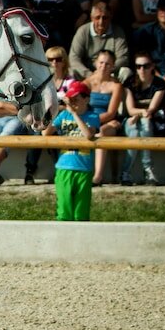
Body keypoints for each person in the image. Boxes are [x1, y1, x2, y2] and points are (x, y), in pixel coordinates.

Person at [43, 81, 99, 221]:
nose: (72, 102)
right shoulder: (63, 116)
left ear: (86, 99)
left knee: (81, 212)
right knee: (64, 210)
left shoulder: (93, 117)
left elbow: (88, 135)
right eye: (70, 99)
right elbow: (46, 133)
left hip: (84, 169)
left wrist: (74, 113)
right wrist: (53, 111)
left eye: (76, 98)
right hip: (63, 168)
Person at [23, 45, 75, 184]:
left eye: (58, 59)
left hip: (63, 118)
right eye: (50, 59)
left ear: (64, 61)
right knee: (36, 132)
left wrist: (58, 108)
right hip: (44, 117)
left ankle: (59, 171)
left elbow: (72, 104)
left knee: (50, 131)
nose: (54, 63)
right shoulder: (41, 81)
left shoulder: (70, 82)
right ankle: (30, 171)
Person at [121, 52, 165, 186]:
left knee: (144, 124)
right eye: (138, 66)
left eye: (146, 66)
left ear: (152, 66)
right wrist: (139, 113)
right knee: (134, 131)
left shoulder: (159, 83)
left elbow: (151, 110)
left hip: (151, 121)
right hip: (131, 121)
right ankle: (130, 172)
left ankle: (144, 169)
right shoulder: (130, 82)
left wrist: (138, 114)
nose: (142, 70)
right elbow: (130, 110)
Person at [82, 49, 124, 185]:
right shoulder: (86, 84)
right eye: (101, 63)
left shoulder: (116, 86)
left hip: (108, 122)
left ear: (113, 66)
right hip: (88, 121)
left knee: (102, 132)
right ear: (95, 63)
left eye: (107, 64)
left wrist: (93, 123)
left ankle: (98, 176)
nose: (103, 66)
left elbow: (112, 112)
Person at [69, 3, 131, 82]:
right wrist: (90, 74)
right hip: (87, 74)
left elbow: (123, 58)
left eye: (105, 18)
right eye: (97, 18)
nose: (101, 22)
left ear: (110, 17)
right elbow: (74, 58)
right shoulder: (83, 31)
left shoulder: (118, 32)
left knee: (126, 72)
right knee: (71, 72)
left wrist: (105, 71)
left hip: (110, 72)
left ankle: (117, 92)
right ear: (92, 18)